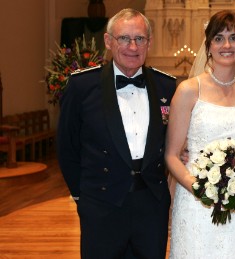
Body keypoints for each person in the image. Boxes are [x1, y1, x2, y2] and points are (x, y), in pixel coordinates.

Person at [57, 8, 176, 259]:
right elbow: (66, 147)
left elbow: (173, 141)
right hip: (101, 204)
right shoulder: (82, 86)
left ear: (149, 43)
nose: (132, 46)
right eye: (124, 38)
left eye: (140, 39)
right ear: (109, 41)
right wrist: (82, 197)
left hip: (151, 206)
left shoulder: (167, 86)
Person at [165, 10, 235, 259]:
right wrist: (199, 189)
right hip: (196, 203)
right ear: (208, 46)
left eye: (234, 37)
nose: (227, 45)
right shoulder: (188, 90)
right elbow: (171, 155)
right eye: (218, 38)